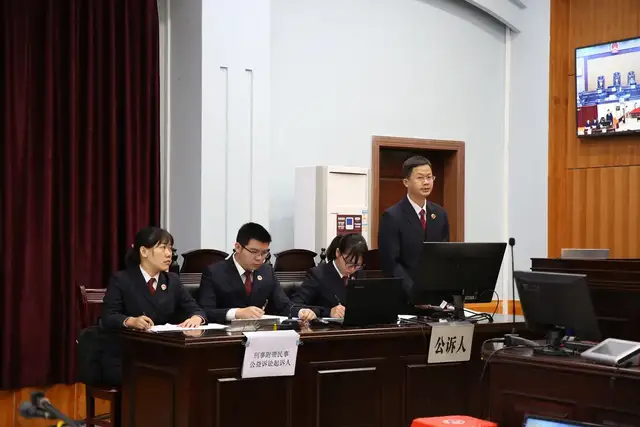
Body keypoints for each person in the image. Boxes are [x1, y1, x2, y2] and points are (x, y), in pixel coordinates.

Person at [198, 222, 317, 323]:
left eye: (264, 253)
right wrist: (237, 313)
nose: (259, 258)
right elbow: (205, 311)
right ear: (238, 247)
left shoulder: (266, 272)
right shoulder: (214, 272)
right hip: (225, 336)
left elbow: (284, 305)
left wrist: (301, 312)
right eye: (254, 252)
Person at [102, 226, 206, 331]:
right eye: (163, 248)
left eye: (170, 248)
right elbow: (108, 316)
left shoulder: (172, 280)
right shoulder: (122, 280)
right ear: (144, 252)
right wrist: (130, 321)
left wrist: (197, 318)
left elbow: (195, 309)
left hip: (165, 339)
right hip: (132, 339)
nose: (169, 254)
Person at [378, 155, 449, 298]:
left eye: (429, 177)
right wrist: (414, 291)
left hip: (435, 295)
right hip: (405, 297)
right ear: (406, 182)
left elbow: (444, 255)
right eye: (420, 178)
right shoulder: (392, 216)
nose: (426, 182)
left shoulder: (440, 214)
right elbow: (391, 263)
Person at [292, 233, 368, 318]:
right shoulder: (318, 275)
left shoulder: (359, 274)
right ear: (338, 253)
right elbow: (295, 306)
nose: (352, 269)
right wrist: (328, 312)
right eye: (349, 263)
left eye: (357, 265)